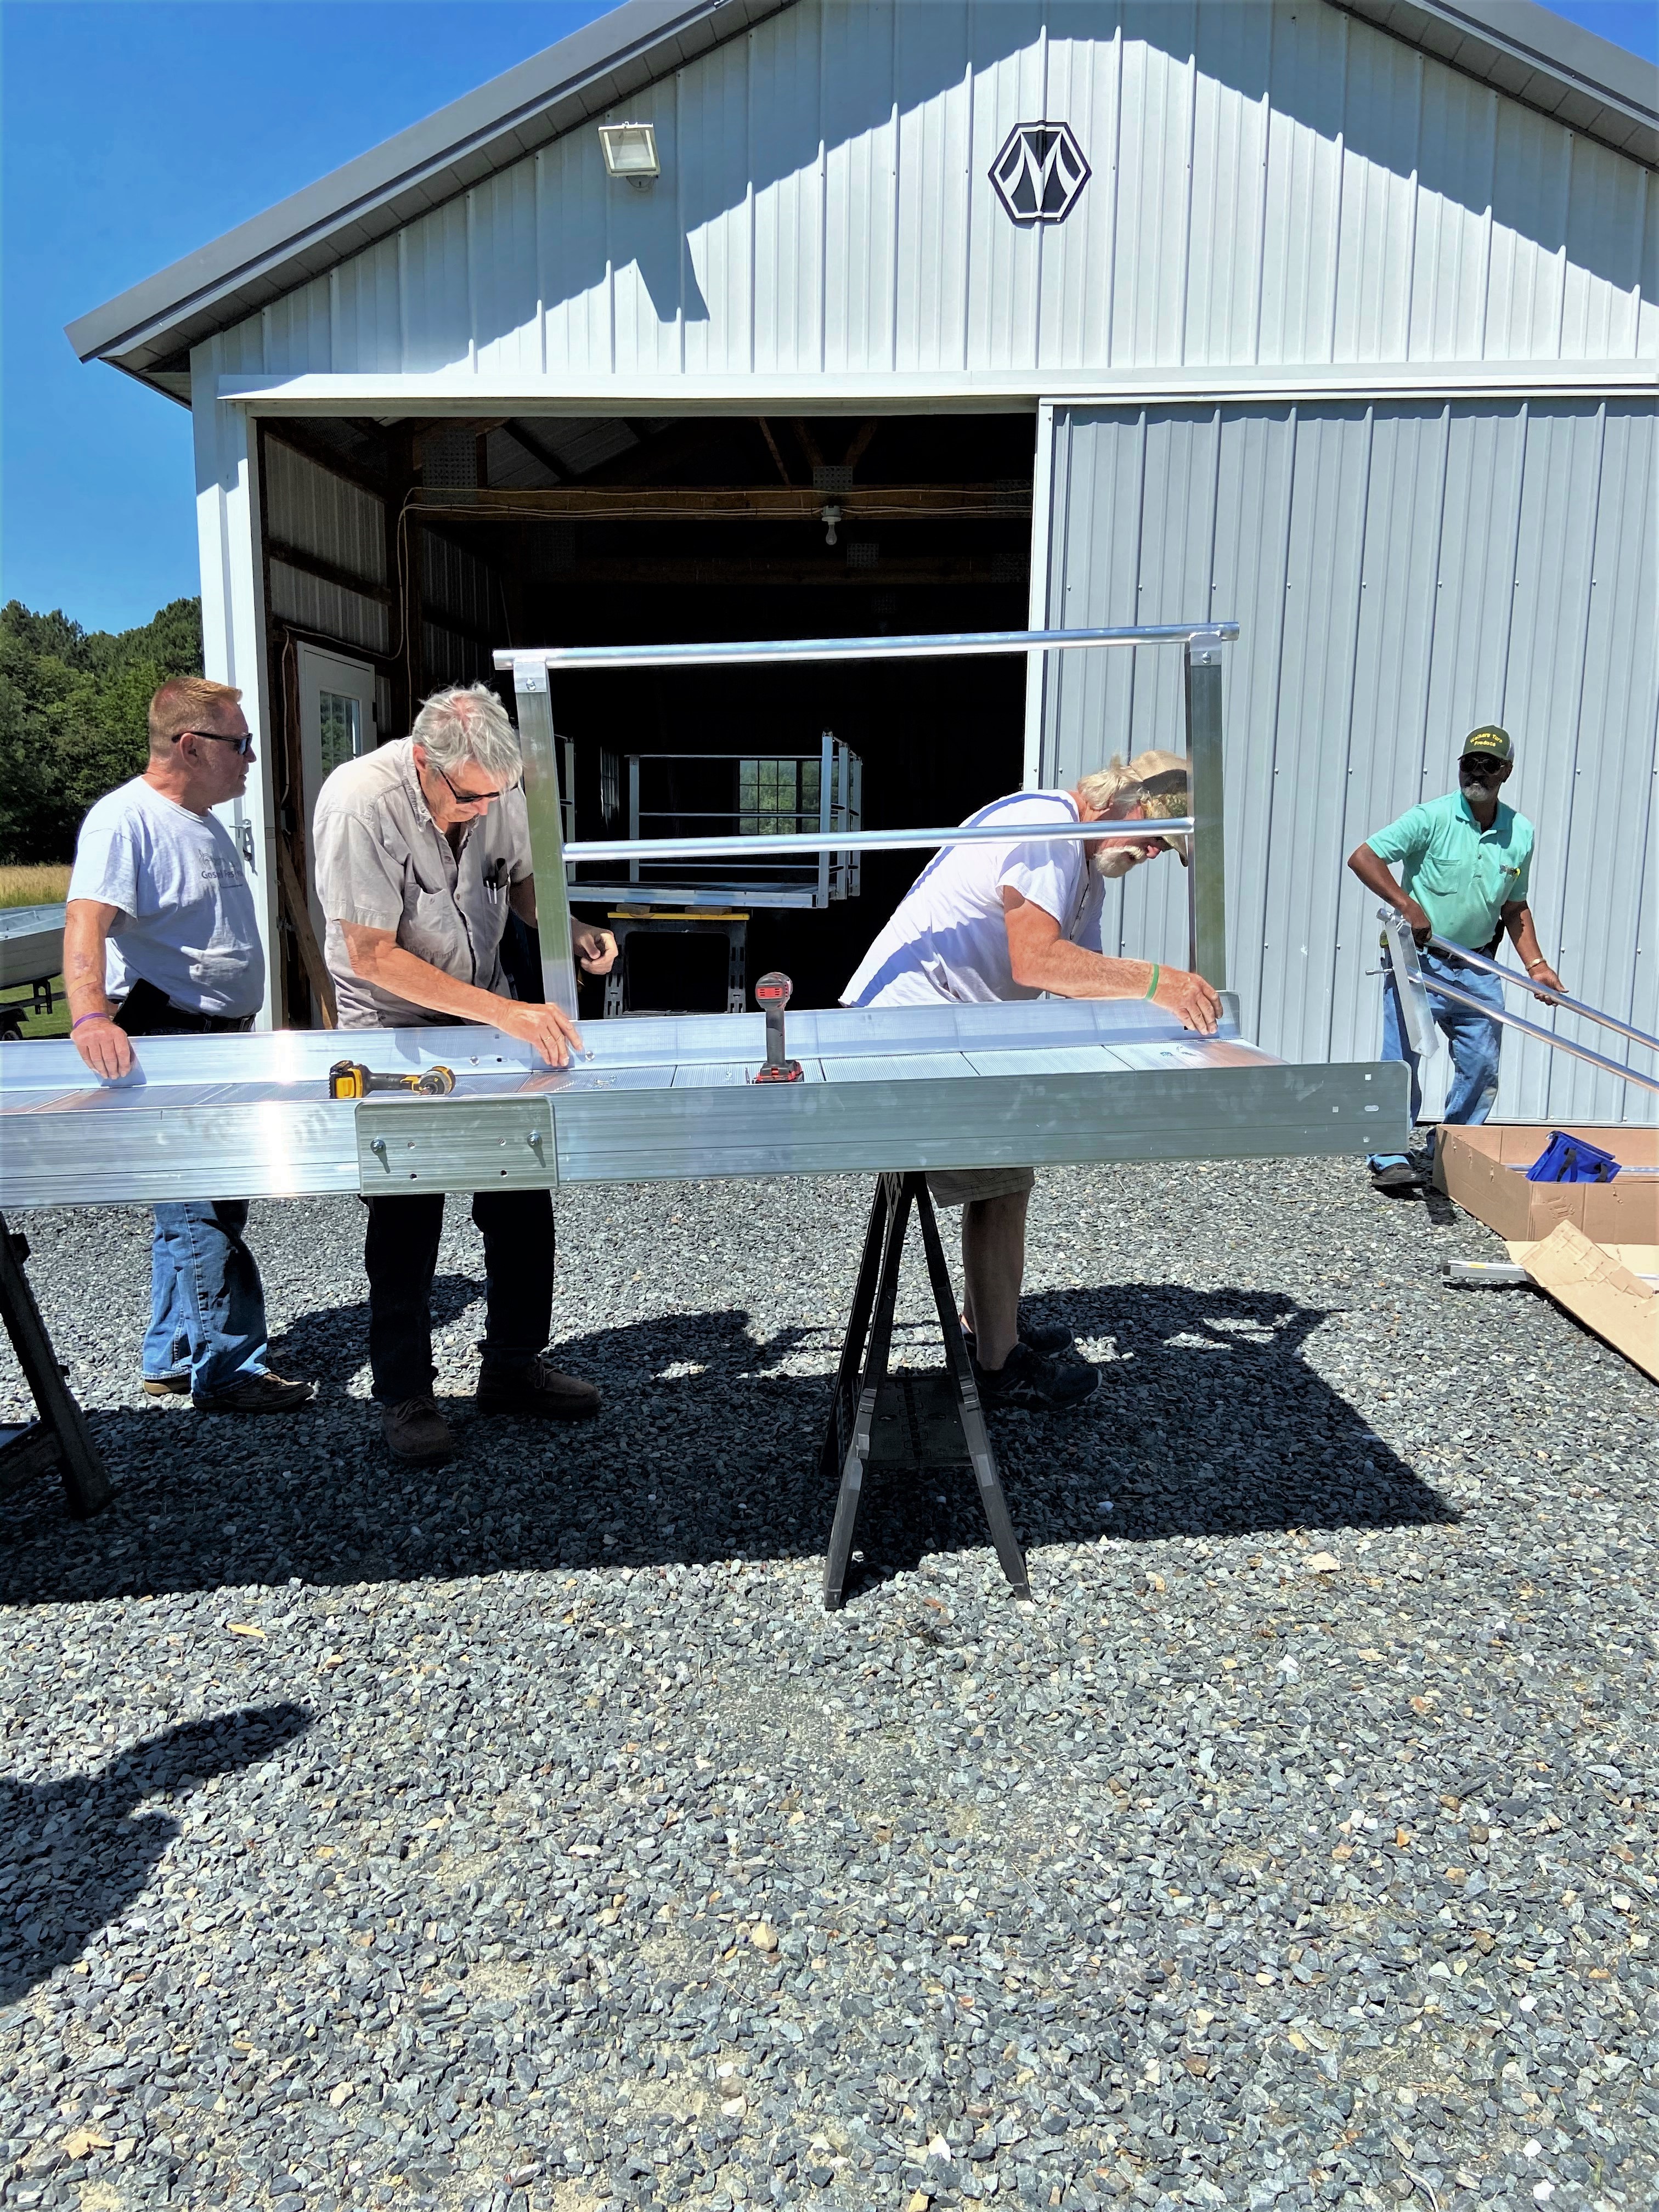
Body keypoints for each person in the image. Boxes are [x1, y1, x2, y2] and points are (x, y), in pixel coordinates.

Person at [841, 752, 1222, 1412]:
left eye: (1164, 847)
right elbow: (1040, 960)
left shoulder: (1082, 871)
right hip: (904, 1037)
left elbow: (1087, 982)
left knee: (1009, 1175)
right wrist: (1162, 982)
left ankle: (990, 1327)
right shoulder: (1048, 828)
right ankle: (996, 1363)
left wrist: (1166, 1039)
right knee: (1004, 1178)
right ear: (1118, 803)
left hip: (942, 1033)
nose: (1153, 854)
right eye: (1154, 837)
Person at [313, 682, 617, 1465]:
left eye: (494, 796)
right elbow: (373, 956)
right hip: (392, 1034)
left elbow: (520, 885)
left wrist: (572, 927)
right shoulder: (359, 805)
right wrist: (505, 1013)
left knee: (520, 1196)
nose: (483, 811)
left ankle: (514, 1367)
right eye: (469, 798)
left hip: (485, 1015)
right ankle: (407, 1395)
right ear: (425, 762)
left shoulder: (490, 782)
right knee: (406, 1214)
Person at [63, 677, 315, 1413]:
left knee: (197, 1208)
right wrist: (88, 1017)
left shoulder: (197, 818)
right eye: (239, 745)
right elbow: (85, 923)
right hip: (174, 1034)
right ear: (190, 746)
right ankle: (230, 1368)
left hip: (216, 1037)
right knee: (202, 1209)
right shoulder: (126, 821)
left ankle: (171, 1352)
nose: (250, 758)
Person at [1347, 724, 1562, 1193]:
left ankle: (1457, 1146)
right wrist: (1407, 905)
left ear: (1506, 771)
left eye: (1489, 765)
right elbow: (1364, 857)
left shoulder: (1518, 831)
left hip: (1478, 967)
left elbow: (1514, 905)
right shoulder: (1432, 817)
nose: (1477, 772)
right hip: (1418, 963)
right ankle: (1388, 1153)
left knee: (1482, 1065)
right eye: (1470, 762)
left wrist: (1537, 966)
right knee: (1401, 1059)